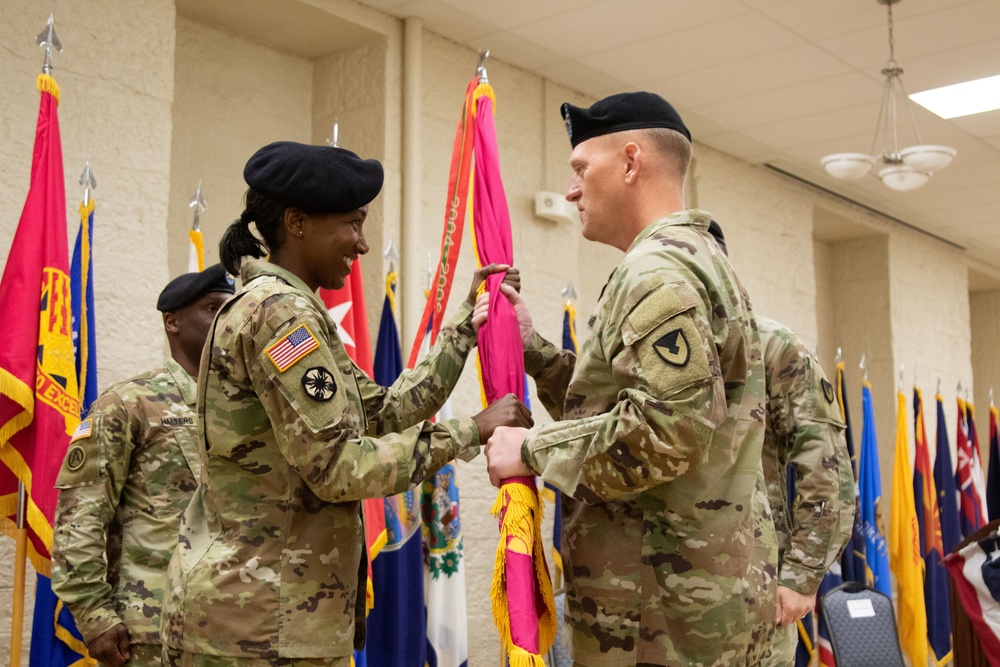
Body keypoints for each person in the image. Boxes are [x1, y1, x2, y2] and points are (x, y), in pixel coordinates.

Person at [160, 141, 531, 666]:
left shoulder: (287, 308)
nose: (361, 244)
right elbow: (338, 467)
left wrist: (464, 328)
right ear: (297, 222)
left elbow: (379, 410)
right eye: (352, 224)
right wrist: (470, 430)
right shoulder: (280, 315)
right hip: (259, 629)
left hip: (266, 617)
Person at [482, 92, 777, 666]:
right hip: (694, 602)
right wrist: (535, 351)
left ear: (631, 162)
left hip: (660, 617)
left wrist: (533, 449)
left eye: (580, 168)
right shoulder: (698, 258)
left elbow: (670, 429)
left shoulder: (654, 272)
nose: (571, 190)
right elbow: (631, 402)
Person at [51, 264, 237, 667]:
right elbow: (80, 517)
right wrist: (94, 616)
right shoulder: (130, 404)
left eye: (231, 310)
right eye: (211, 308)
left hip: (239, 632)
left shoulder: (249, 407)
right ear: (172, 321)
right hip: (152, 630)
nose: (224, 321)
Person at [707, 221, 855, 666]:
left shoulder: (769, 344)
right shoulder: (653, 347)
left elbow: (825, 467)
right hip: (661, 603)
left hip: (750, 601)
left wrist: (802, 576)